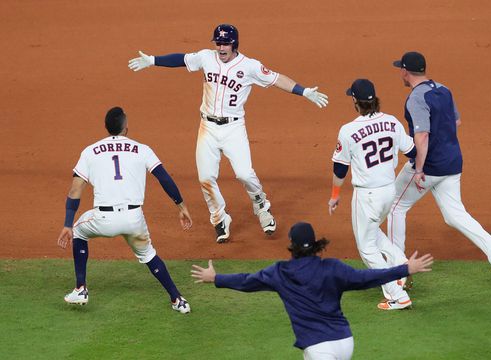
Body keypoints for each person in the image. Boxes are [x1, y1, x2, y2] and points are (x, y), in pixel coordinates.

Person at [128, 24, 328, 243]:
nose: (221, 47)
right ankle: (219, 218)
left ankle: (261, 206)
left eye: (225, 43)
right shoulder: (206, 57)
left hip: (233, 128)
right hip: (207, 127)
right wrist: (153, 60)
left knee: (244, 173)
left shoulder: (250, 66)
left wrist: (304, 91)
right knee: (205, 178)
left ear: (235, 44)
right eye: (218, 43)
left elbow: (276, 78)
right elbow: (182, 59)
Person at [191, 222, 434, 359]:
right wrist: (404, 268)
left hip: (319, 347)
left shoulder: (280, 273)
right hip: (344, 341)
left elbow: (246, 281)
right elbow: (368, 278)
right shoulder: (333, 268)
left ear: (292, 246)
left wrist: (216, 278)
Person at [385, 51, 491, 289]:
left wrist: (419, 168)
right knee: (455, 215)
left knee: (395, 206)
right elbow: (456, 122)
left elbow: (421, 136)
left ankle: (398, 272)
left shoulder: (415, 99)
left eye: (400, 69)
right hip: (452, 163)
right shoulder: (444, 89)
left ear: (405, 71)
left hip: (429, 166)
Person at [57, 107, 193, 313]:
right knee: (149, 254)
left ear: (106, 128)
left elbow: (76, 189)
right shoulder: (142, 149)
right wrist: (180, 205)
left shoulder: (90, 151)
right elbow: (164, 178)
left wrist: (67, 223)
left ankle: (80, 288)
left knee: (78, 231)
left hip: (103, 219)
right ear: (126, 129)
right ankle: (178, 300)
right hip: (134, 219)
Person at [328, 79, 417, 310]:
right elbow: (413, 150)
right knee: (372, 230)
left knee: (366, 247)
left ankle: (396, 294)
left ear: (355, 101)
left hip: (367, 196)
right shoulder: (392, 122)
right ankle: (400, 262)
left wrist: (335, 195)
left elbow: (340, 169)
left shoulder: (348, 130)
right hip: (390, 190)